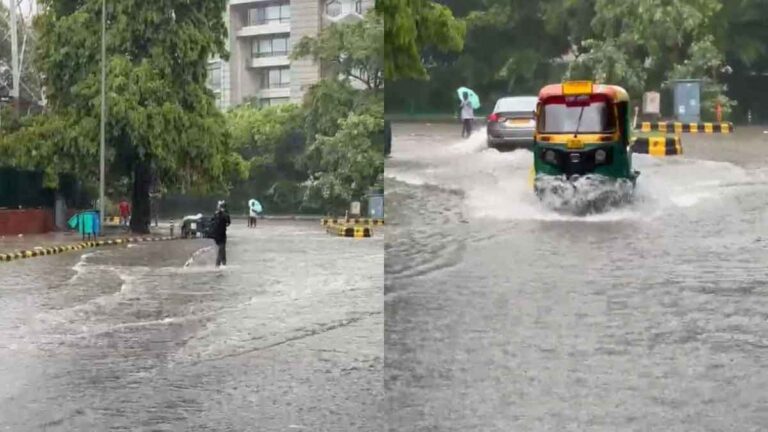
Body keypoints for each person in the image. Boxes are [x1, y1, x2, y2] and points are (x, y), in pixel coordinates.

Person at [211, 200, 231, 268]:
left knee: (222, 248)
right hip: (219, 234)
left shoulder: (221, 214)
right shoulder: (220, 214)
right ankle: (218, 264)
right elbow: (228, 222)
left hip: (218, 234)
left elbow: (228, 222)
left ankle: (223, 262)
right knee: (221, 248)